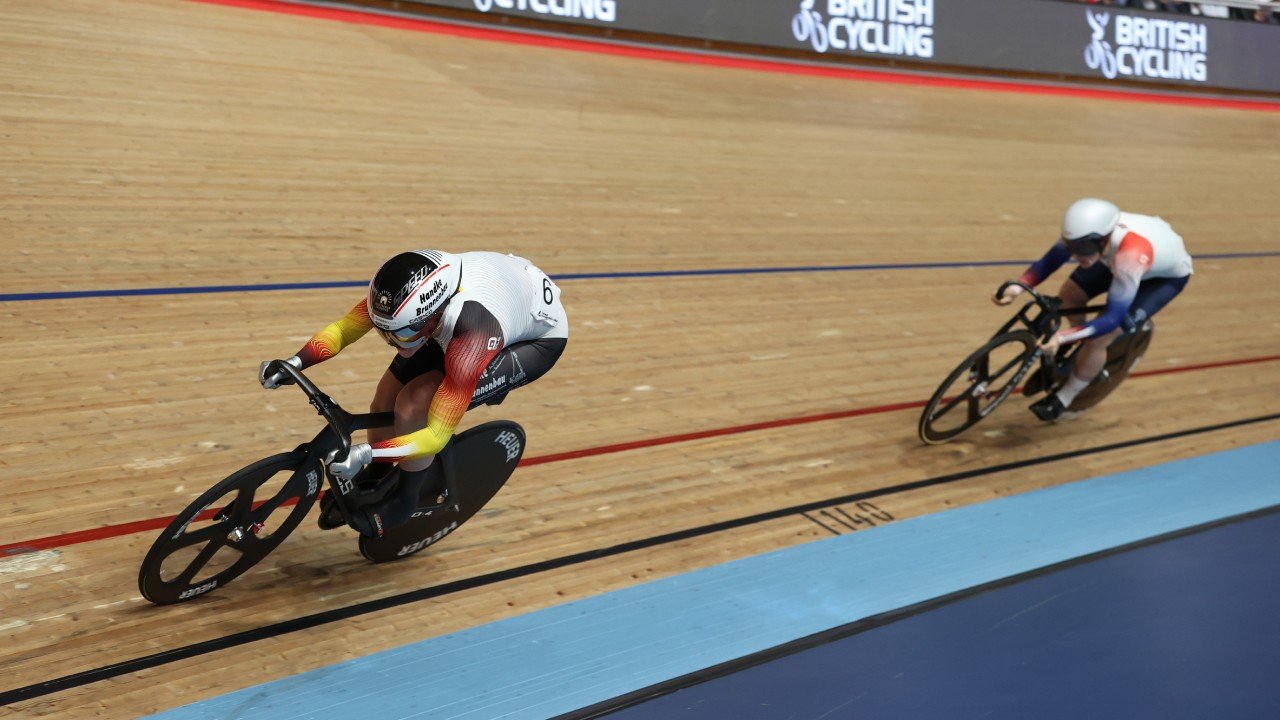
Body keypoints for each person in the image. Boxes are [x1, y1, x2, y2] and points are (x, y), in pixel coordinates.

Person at [259, 250, 568, 537]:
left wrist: (367, 452)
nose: (393, 343)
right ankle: (379, 473)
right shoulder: (400, 295)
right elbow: (344, 329)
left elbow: (435, 435)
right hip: (498, 296)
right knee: (385, 398)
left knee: (412, 407)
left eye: (402, 333)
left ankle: (405, 498)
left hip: (533, 341)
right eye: (385, 333)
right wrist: (295, 362)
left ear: (431, 317)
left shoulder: (471, 335)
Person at [994, 199, 1192, 421]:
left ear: (1105, 237)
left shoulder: (1129, 257)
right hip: (1117, 259)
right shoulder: (1084, 236)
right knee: (1069, 295)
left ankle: (1065, 398)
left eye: (1084, 250)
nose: (1078, 256)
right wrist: (1018, 286)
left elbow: (1112, 318)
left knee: (1101, 338)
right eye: (1073, 248)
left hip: (1160, 280)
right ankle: (1076, 345)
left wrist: (1061, 337)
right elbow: (1050, 261)